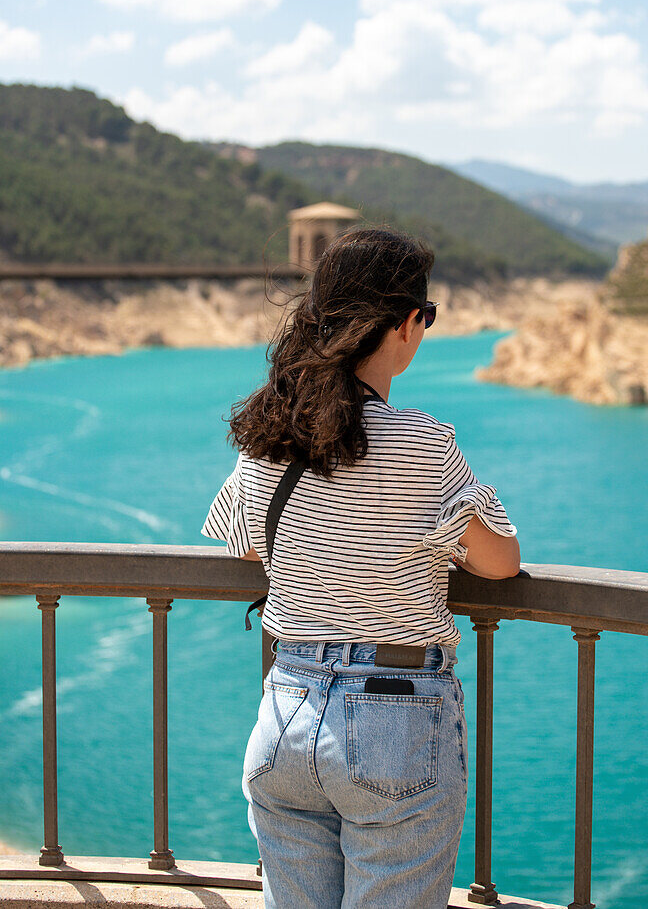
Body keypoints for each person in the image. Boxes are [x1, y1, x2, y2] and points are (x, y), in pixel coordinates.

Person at [200, 225, 521, 909]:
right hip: (393, 726)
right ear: (406, 324)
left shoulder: (266, 435)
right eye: (424, 317)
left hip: (284, 711)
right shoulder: (423, 442)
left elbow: (245, 542)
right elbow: (499, 561)